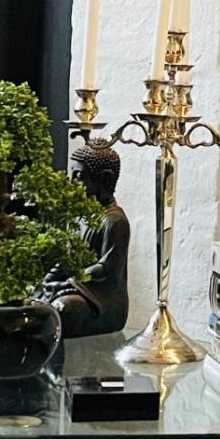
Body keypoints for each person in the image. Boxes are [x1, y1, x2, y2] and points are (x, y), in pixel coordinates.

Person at [42, 139, 130, 337]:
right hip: (75, 286)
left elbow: (107, 269)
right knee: (31, 297)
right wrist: (50, 278)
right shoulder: (80, 216)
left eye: (79, 177)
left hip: (101, 299)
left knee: (64, 308)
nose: (72, 182)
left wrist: (71, 281)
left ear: (105, 180)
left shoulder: (114, 221)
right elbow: (68, 257)